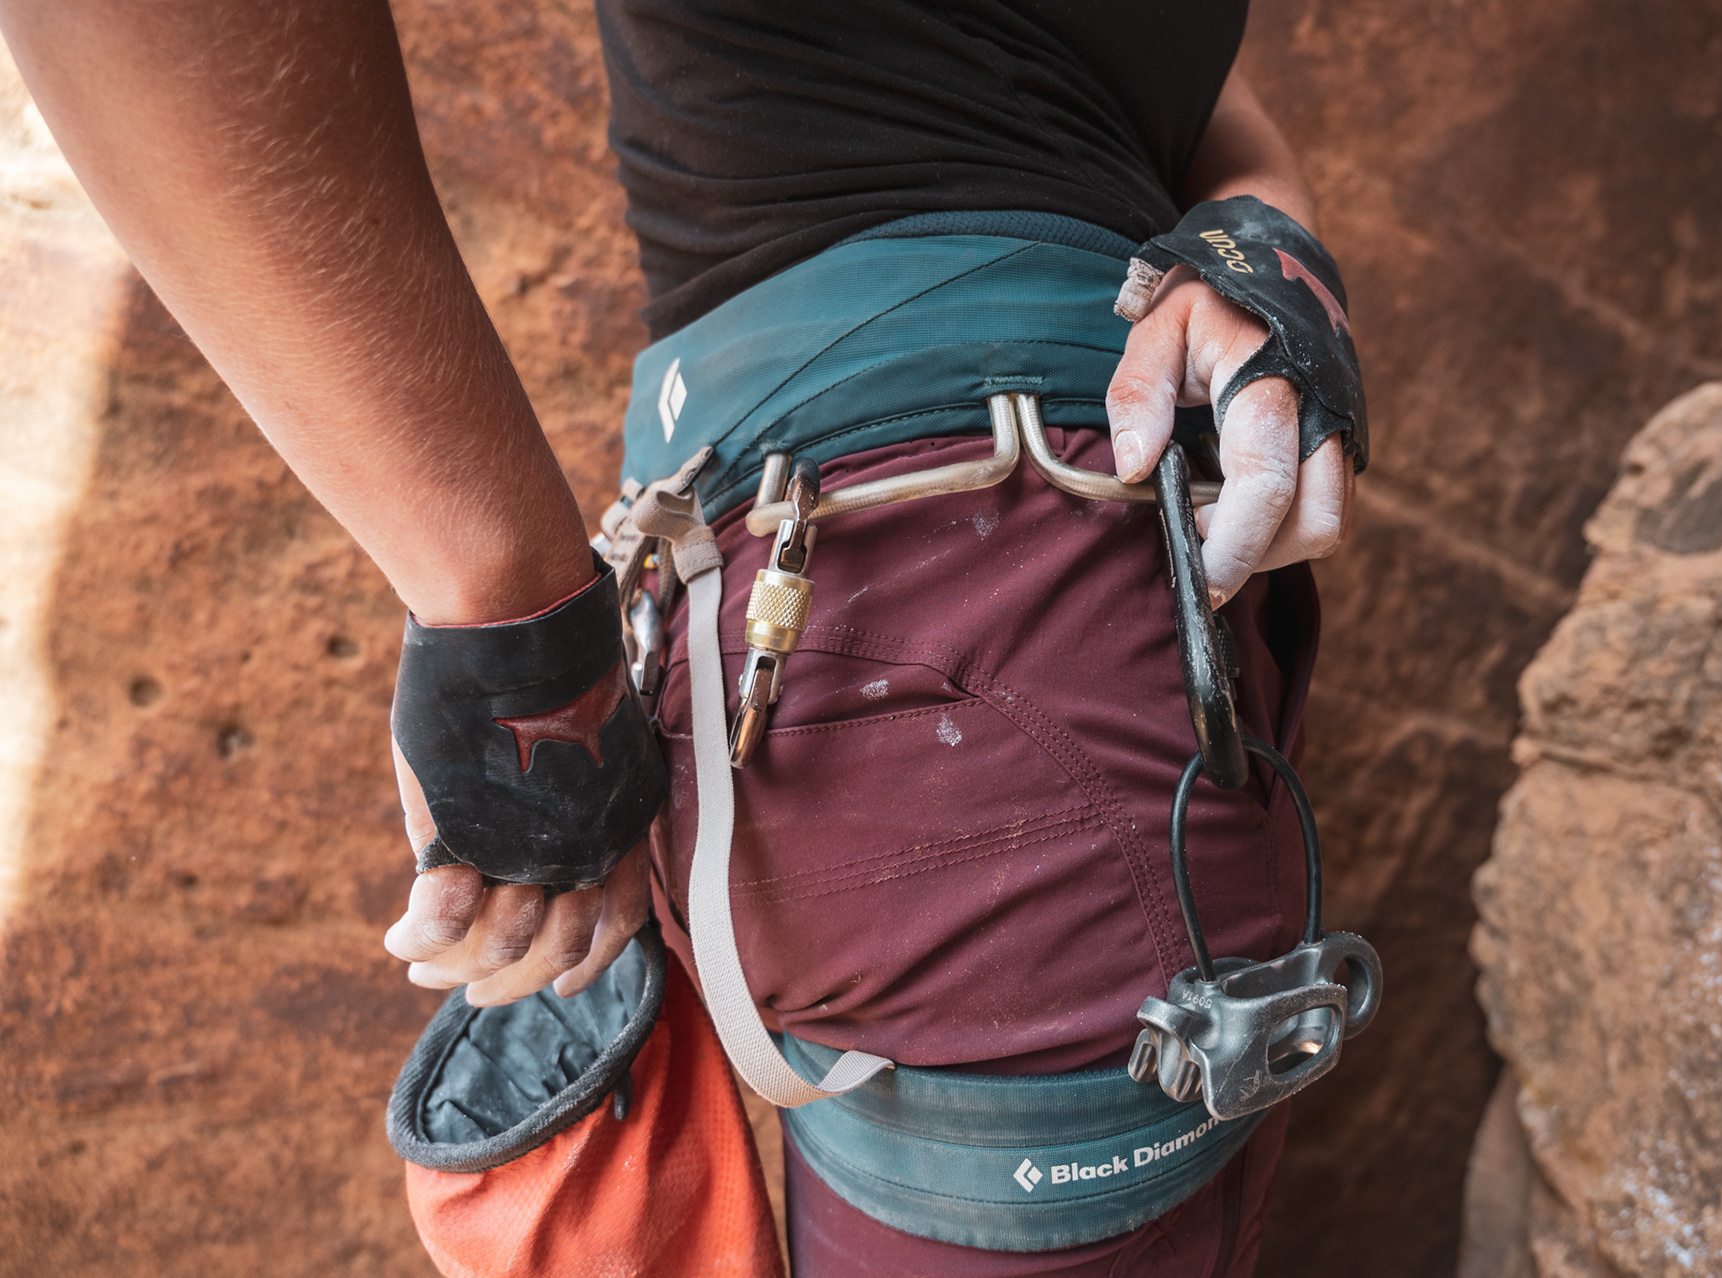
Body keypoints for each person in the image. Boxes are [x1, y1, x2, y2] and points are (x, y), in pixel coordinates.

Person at [0, 1, 1365, 1273]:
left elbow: (1177, 96)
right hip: (970, 659)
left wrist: (1271, 256)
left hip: (1017, 627)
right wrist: (505, 619)